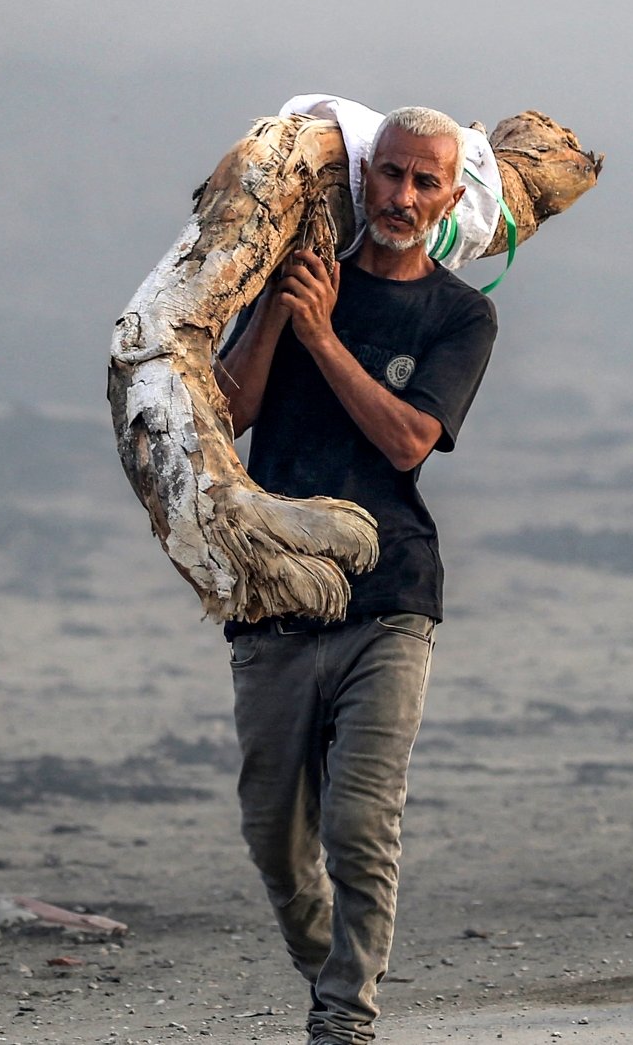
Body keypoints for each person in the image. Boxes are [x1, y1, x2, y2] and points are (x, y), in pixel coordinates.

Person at [212, 105, 499, 1045]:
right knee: (275, 837)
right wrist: (281, 310)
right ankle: (332, 968)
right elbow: (231, 412)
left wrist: (325, 339)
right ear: (364, 176)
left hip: (390, 599)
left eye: (426, 183)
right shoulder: (297, 279)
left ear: (450, 199)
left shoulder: (461, 314)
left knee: (362, 824)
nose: (403, 196)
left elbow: (409, 439)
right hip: (276, 595)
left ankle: (344, 1022)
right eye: (391, 174)